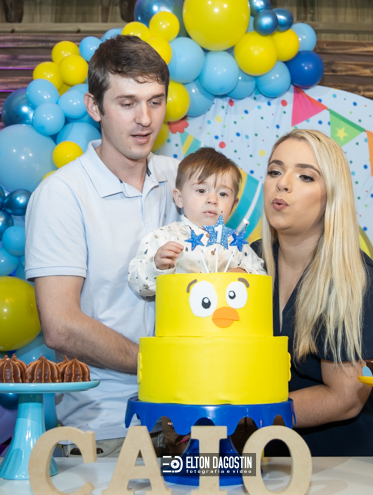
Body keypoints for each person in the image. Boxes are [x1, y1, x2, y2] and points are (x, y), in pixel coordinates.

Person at [24, 35, 179, 457]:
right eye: (127, 103)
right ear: (94, 107)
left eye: (155, 102)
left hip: (192, 414)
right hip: (108, 427)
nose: (145, 119)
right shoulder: (62, 194)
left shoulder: (181, 179)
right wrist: (161, 364)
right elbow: (61, 326)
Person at [252, 129, 373, 457]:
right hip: (282, 451)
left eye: (306, 176)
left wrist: (247, 415)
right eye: (275, 171)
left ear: (331, 196)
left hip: (362, 458)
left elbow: (344, 400)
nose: (283, 184)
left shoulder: (357, 280)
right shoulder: (247, 263)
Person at [128, 147, 265, 297]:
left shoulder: (237, 245)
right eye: (201, 191)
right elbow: (136, 283)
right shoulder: (164, 238)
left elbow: (263, 280)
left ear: (233, 205)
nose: (212, 200)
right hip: (179, 312)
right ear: (179, 198)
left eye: (223, 194)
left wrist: (245, 273)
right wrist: (156, 266)